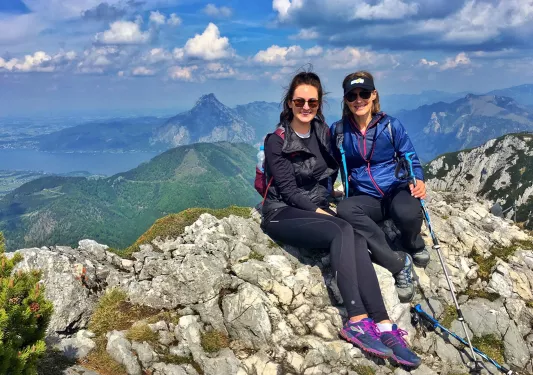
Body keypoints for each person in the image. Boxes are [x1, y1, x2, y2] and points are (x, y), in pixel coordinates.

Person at [261, 70, 421, 367]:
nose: (306, 107)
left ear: (319, 103)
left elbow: (342, 164)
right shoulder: (277, 141)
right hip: (281, 213)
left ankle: (385, 326)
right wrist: (321, 211)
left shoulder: (324, 134)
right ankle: (357, 320)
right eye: (299, 101)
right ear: (289, 103)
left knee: (354, 235)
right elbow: (289, 191)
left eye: (312, 101)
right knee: (341, 230)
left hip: (315, 208)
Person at [330, 71, 430, 303]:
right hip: (365, 197)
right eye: (352, 95)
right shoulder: (338, 132)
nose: (359, 100)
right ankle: (396, 260)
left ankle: (413, 242)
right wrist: (326, 192)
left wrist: (419, 179)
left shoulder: (390, 126)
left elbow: (409, 156)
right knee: (345, 210)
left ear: (374, 95)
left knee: (407, 212)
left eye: (364, 93)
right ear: (345, 100)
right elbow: (331, 166)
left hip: (395, 189)